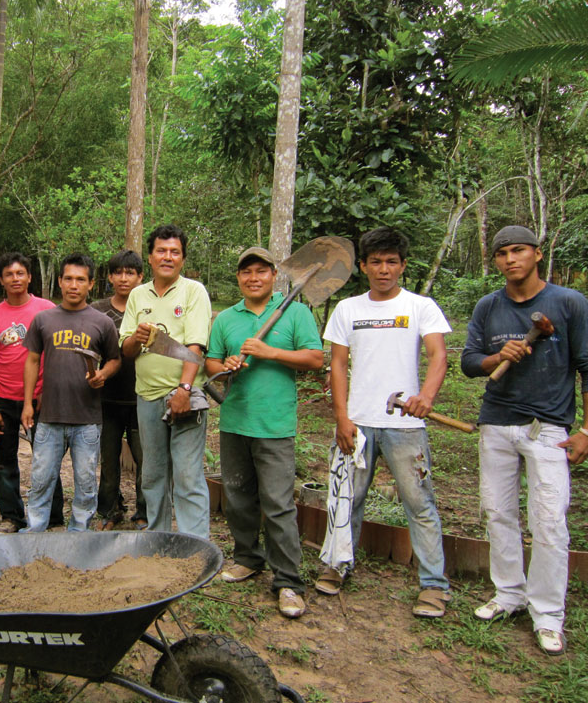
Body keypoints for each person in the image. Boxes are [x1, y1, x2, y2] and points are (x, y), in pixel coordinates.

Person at [461, 225, 588, 655]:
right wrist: (500, 356)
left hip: (548, 427)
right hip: (496, 422)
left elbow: (587, 366)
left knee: (549, 521)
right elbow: (469, 363)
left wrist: (587, 429)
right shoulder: (488, 306)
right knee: (497, 512)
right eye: (502, 254)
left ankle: (548, 614)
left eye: (518, 251)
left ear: (537, 254)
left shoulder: (568, 303)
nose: (510, 259)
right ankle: (509, 594)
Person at [317, 227, 452, 618]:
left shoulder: (420, 307)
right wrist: (342, 417)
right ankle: (337, 564)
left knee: (419, 502)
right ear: (363, 266)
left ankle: (433, 585)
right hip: (357, 424)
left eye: (392, 261)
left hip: (405, 427)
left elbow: (437, 356)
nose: (384, 269)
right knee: (347, 497)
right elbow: (338, 365)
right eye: (375, 261)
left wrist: (425, 397)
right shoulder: (348, 310)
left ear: (403, 266)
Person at [206, 247, 324, 618]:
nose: (253, 278)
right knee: (239, 497)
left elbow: (314, 359)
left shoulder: (295, 312)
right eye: (246, 272)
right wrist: (225, 364)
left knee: (277, 504)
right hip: (235, 420)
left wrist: (268, 352)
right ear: (239, 278)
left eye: (261, 271)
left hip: (274, 425)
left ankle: (288, 581)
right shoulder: (226, 318)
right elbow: (210, 360)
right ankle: (247, 558)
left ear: (274, 275)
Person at [119, 225, 212, 538]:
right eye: (162, 250)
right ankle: (158, 538)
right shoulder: (137, 295)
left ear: (183, 258)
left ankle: (193, 546)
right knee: (153, 473)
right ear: (150, 256)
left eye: (175, 252)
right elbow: (127, 350)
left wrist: (184, 390)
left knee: (187, 475)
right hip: (146, 397)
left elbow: (196, 346)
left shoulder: (194, 292)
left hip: (184, 396)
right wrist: (137, 337)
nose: (168, 257)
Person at [20, 253, 121, 533]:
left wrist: (103, 374)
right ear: (60, 282)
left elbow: (115, 359)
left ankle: (79, 532)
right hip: (49, 417)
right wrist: (28, 403)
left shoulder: (102, 322)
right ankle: (35, 529)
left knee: (86, 483)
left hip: (87, 420)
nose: (73, 285)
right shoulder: (43, 320)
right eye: (68, 279)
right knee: (40, 479)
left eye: (80, 279)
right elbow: (31, 361)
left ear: (90, 284)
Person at [0, 251, 64, 533]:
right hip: (5, 398)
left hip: (42, 397)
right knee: (4, 462)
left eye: (20, 273)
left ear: (30, 277)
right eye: (9, 274)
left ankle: (53, 517)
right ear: (2, 281)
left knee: (46, 459)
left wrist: (48, 389)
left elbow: (56, 354)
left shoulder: (47, 309)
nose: (15, 278)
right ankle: (11, 517)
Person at [91, 249, 147, 531]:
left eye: (130, 273)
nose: (124, 278)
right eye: (118, 272)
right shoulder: (98, 309)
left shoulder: (148, 305)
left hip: (142, 398)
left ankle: (143, 513)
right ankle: (110, 510)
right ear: (110, 276)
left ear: (140, 276)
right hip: (107, 398)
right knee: (108, 458)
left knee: (144, 459)